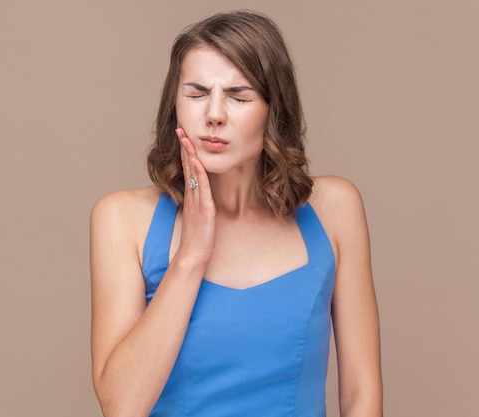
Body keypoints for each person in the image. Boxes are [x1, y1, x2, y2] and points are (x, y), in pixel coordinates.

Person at [90, 10, 382, 417]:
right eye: (196, 93)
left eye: (238, 96)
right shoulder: (121, 219)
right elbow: (121, 406)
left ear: (273, 110)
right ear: (174, 104)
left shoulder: (336, 209)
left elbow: (361, 395)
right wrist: (191, 256)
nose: (214, 114)